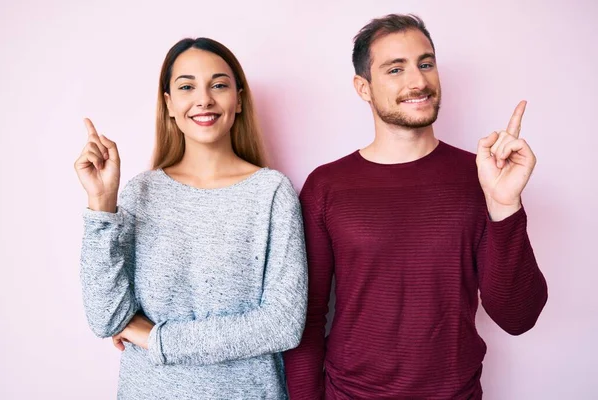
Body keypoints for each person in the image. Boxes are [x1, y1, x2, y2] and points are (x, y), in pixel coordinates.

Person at [283, 14, 548, 399]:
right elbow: (306, 320)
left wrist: (504, 204)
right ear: (363, 87)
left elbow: (518, 317)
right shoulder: (327, 186)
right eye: (395, 69)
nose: (419, 81)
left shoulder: (479, 175)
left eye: (426, 63)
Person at [74, 37, 307, 399]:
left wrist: (157, 339)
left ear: (239, 99)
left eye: (219, 85)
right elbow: (107, 318)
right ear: (168, 104)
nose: (204, 99)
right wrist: (102, 202)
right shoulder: (140, 193)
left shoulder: (271, 193)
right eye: (187, 87)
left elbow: (282, 325)